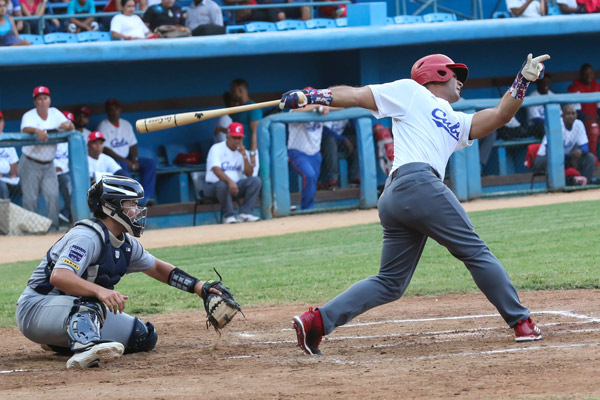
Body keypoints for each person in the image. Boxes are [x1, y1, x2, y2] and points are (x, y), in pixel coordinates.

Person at [280, 52, 550, 355]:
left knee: (390, 282)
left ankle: (317, 321)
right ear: (437, 74)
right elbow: (356, 95)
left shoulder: (456, 120)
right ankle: (521, 321)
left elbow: (501, 114)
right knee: (475, 252)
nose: (461, 81)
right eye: (455, 74)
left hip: (396, 196)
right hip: (418, 183)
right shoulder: (411, 92)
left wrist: (522, 81)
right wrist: (311, 96)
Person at [15, 175, 224, 369]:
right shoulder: (87, 237)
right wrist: (100, 291)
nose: (137, 210)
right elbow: (60, 276)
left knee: (143, 337)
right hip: (36, 308)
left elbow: (158, 268)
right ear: (111, 207)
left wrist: (198, 286)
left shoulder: (125, 243)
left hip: (71, 312)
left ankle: (59, 342)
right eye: (131, 204)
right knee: (91, 303)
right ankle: (84, 349)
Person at [20, 86, 74, 231]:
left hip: (49, 164)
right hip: (30, 162)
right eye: (39, 99)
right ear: (35, 102)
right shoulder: (29, 116)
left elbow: (71, 126)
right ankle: (31, 230)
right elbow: (25, 129)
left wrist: (67, 125)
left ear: (49, 100)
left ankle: (53, 228)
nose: (43, 101)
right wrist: (37, 131)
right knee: (30, 199)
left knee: (53, 196)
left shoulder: (55, 113)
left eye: (45, 98)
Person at [97, 98, 157, 206]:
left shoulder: (126, 124)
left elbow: (133, 144)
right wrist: (126, 162)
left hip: (128, 158)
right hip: (114, 160)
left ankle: (147, 196)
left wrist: (135, 160)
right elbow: (105, 149)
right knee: (122, 166)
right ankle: (133, 198)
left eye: (116, 108)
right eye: (111, 109)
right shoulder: (103, 126)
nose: (114, 111)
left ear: (120, 109)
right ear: (107, 111)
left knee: (150, 163)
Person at [204, 122, 261, 224]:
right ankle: (229, 216)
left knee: (255, 181)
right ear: (227, 136)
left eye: (239, 138)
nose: (237, 141)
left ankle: (245, 213)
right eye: (234, 137)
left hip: (234, 187)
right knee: (222, 185)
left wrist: (244, 156)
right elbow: (216, 170)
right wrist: (230, 182)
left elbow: (249, 174)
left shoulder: (242, 151)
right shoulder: (216, 148)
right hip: (213, 187)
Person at [533, 104, 595, 184]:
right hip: (544, 158)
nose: (571, 116)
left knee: (590, 158)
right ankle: (554, 187)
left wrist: (580, 152)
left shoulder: (579, 124)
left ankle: (584, 183)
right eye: (568, 114)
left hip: (566, 158)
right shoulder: (556, 124)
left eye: (573, 113)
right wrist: (568, 157)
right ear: (562, 116)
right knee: (553, 160)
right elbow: (549, 150)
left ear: (576, 115)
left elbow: (585, 146)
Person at [287, 103, 327, 209]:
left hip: (315, 153)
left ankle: (309, 208)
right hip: (297, 152)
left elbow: (342, 106)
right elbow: (294, 112)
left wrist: (324, 106)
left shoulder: (321, 109)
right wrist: (315, 106)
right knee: (309, 175)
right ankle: (307, 208)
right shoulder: (295, 108)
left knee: (312, 182)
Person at [318, 118, 360, 190]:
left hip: (340, 141)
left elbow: (355, 127)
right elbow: (324, 131)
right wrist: (343, 139)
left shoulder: (345, 112)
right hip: (323, 143)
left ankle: (354, 179)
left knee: (356, 140)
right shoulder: (325, 112)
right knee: (330, 141)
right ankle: (331, 180)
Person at [230, 78, 260, 172]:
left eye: (233, 91)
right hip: (238, 150)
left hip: (249, 150)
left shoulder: (252, 107)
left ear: (240, 90)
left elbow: (255, 131)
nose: (232, 94)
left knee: (250, 177)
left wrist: (252, 153)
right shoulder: (238, 108)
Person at [54, 110, 76, 225]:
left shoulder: (74, 141)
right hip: (54, 174)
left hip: (68, 174)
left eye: (70, 122)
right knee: (66, 183)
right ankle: (66, 216)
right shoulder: (53, 139)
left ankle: (68, 215)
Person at [526, 73, 554, 139]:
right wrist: (550, 123)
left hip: (550, 124)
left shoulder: (553, 95)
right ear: (538, 83)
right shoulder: (532, 97)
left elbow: (560, 115)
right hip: (535, 126)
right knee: (541, 126)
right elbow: (536, 119)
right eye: (543, 82)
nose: (546, 85)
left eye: (548, 82)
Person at [0, 110, 20, 199]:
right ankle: (4, 208)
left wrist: (12, 175)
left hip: (7, 176)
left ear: (3, 123)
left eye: (0, 121)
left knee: (25, 184)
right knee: (2, 187)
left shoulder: (6, 138)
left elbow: (14, 163)